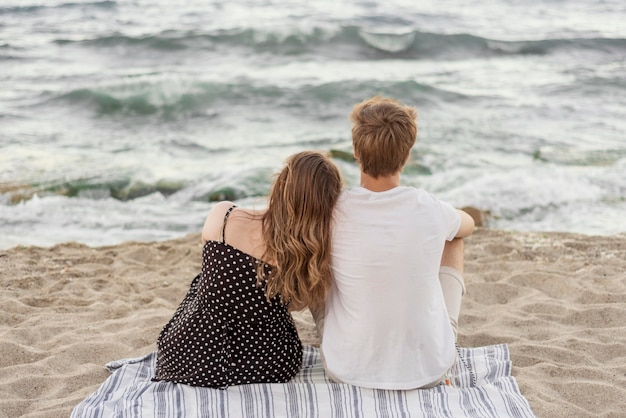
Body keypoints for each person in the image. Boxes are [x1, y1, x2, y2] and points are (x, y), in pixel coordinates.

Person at [315, 96, 475, 390]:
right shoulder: (427, 206)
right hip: (429, 369)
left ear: (355, 151)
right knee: (453, 239)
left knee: (318, 253)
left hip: (346, 368)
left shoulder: (334, 210)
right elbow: (469, 225)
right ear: (407, 156)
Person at [153, 151, 343, 388]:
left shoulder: (223, 216)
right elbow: (296, 304)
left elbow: (212, 273)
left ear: (280, 185)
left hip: (191, 354)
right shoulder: (306, 256)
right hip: (268, 362)